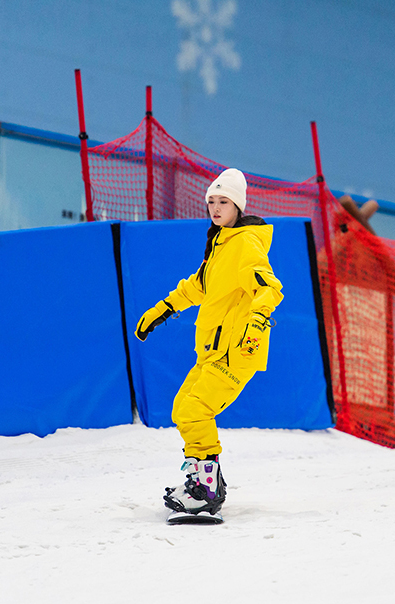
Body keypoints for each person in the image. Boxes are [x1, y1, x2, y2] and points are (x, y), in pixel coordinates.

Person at [134, 168, 284, 515]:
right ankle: (202, 479)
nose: (216, 208)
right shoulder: (219, 243)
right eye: (212, 202)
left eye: (224, 202)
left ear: (238, 207)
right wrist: (164, 308)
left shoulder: (245, 243)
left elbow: (268, 287)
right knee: (183, 408)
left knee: (194, 409)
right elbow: (198, 287)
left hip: (236, 350)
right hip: (212, 351)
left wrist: (257, 323)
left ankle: (205, 487)